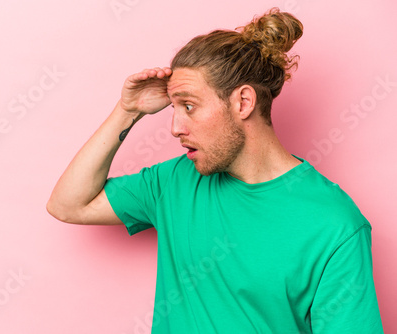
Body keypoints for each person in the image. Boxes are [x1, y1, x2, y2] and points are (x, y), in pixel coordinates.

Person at [46, 8, 384, 333]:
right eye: (174, 108)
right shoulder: (175, 182)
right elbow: (68, 204)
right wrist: (127, 110)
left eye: (189, 106)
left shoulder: (335, 225)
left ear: (243, 102)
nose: (175, 127)